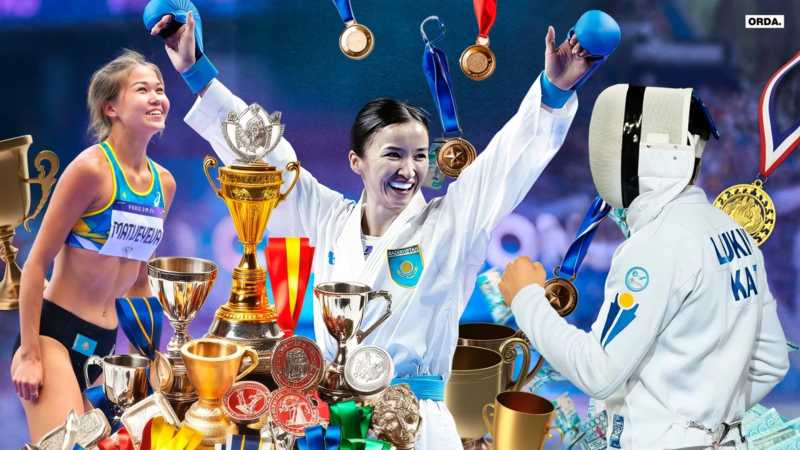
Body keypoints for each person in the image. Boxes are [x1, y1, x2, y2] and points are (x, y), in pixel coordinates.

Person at [145, 2, 610, 447]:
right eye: (393, 154)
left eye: (420, 156)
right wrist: (196, 71)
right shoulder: (328, 218)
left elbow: (505, 163)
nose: (410, 170)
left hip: (416, 425)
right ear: (357, 162)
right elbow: (267, 154)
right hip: (331, 422)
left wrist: (554, 90)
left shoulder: (449, 224)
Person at [499, 85, 790, 449]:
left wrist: (526, 297)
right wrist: (707, 423)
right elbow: (772, 361)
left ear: (655, 155)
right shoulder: (734, 232)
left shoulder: (654, 245)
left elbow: (598, 372)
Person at [10, 50, 176, 442]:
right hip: (53, 335)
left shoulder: (163, 184)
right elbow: (36, 263)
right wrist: (29, 354)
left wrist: (149, 357)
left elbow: (139, 282)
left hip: (104, 346)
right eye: (142, 89)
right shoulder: (91, 170)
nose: (157, 97)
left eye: (160, 89)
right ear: (111, 108)